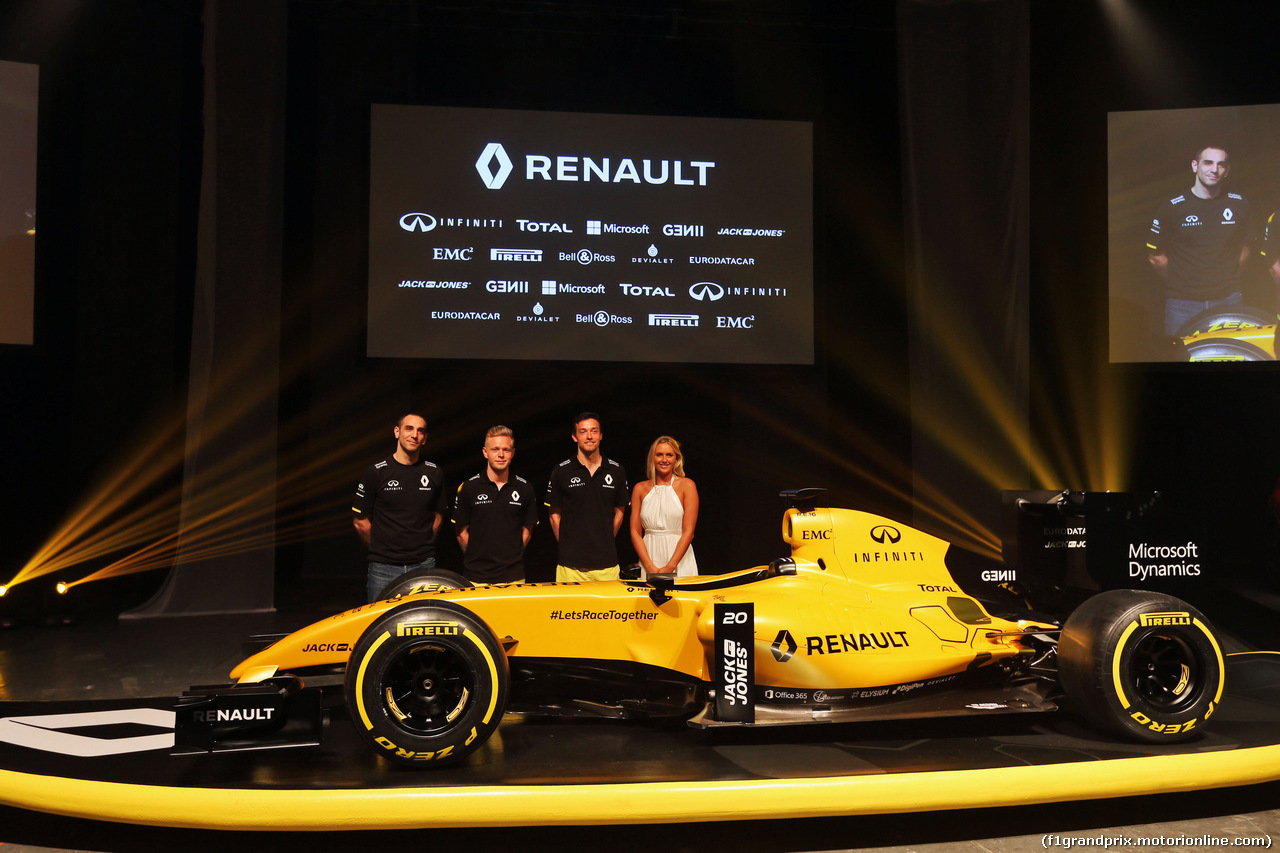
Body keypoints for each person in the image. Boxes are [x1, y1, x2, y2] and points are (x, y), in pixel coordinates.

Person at [1146, 144, 1253, 336]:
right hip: (1182, 304)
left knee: (1231, 358)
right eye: (1208, 162)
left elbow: (1245, 248)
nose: (1214, 169)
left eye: (1221, 164)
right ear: (1195, 166)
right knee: (1180, 361)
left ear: (1227, 170)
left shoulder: (1239, 204)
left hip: (1228, 299)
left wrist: (1228, 277)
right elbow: (1156, 256)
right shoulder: (1172, 207)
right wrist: (1181, 282)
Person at [352, 413, 448, 602]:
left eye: (420, 431)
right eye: (409, 428)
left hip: (424, 565)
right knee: (380, 625)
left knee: (422, 626)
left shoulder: (434, 472)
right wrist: (382, 548)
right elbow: (360, 522)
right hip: (383, 568)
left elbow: (438, 515)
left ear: (425, 439)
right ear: (397, 432)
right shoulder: (377, 471)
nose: (414, 435)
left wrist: (422, 543)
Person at [545, 412, 629, 582]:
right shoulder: (561, 471)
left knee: (608, 610)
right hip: (570, 568)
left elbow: (620, 511)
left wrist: (604, 540)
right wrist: (568, 547)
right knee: (568, 610)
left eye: (594, 431)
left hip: (607, 567)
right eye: (583, 432)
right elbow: (554, 515)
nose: (589, 436)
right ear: (575, 437)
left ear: (601, 435)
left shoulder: (616, 470)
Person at [453, 426, 539, 584]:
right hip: (475, 577)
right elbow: (461, 532)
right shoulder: (468, 487)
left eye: (506, 450)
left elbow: (527, 531)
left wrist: (511, 557)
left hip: (514, 577)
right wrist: (478, 558)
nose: (501, 454)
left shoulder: (525, 488)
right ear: (485, 452)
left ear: (512, 453)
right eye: (495, 449)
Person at [630, 436, 699, 577]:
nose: (664, 460)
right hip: (649, 558)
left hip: (679, 559)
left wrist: (670, 566)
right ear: (652, 458)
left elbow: (689, 532)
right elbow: (635, 532)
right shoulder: (639, 488)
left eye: (669, 455)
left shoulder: (687, 486)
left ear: (676, 459)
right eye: (659, 455)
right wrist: (649, 566)